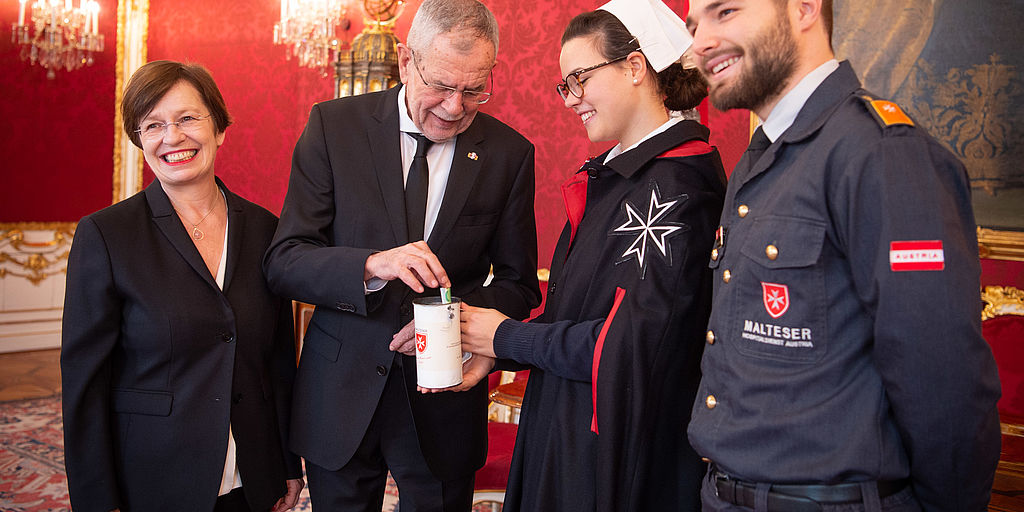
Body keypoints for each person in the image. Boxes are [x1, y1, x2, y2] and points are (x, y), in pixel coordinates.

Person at [684, 0, 1001, 510]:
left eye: (726, 12)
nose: (700, 42)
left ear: (805, 8)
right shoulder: (760, 159)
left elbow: (943, 381)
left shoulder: (881, 152)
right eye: (694, 26)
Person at [262, 0, 541, 509]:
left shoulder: (509, 154)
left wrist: (453, 318)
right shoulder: (332, 128)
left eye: (473, 89)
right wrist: (372, 265)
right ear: (405, 60)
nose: (455, 107)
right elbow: (286, 261)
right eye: (441, 85)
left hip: (444, 401)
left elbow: (520, 283)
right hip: (340, 395)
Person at [457, 1, 726, 510]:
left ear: (634, 66)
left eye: (579, 78)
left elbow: (629, 345)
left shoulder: (675, 186)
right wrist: (501, 348)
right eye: (566, 85)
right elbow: (579, 318)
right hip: (573, 422)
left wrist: (506, 335)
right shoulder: (624, 174)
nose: (570, 99)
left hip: (618, 447)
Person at [61, 60, 303, 512]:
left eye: (188, 118)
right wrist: (96, 499)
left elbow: (277, 362)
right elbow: (85, 383)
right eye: (152, 125)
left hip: (251, 477)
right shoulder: (106, 235)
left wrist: (287, 462)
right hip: (153, 480)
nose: (172, 137)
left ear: (220, 129)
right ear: (139, 141)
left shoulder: (267, 230)